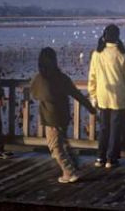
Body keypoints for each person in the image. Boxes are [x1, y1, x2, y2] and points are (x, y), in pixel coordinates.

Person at [30, 47, 96, 183]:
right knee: (63, 142)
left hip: (50, 118)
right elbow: (76, 94)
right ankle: (75, 165)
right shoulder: (62, 78)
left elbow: (35, 94)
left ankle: (69, 172)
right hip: (63, 116)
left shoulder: (40, 79)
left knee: (55, 147)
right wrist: (90, 108)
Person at [87, 24, 125, 168]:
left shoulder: (97, 54)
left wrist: (92, 95)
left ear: (104, 36)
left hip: (102, 96)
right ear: (117, 36)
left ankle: (100, 157)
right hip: (118, 97)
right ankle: (111, 159)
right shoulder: (121, 54)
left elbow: (92, 77)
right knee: (115, 129)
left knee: (104, 128)